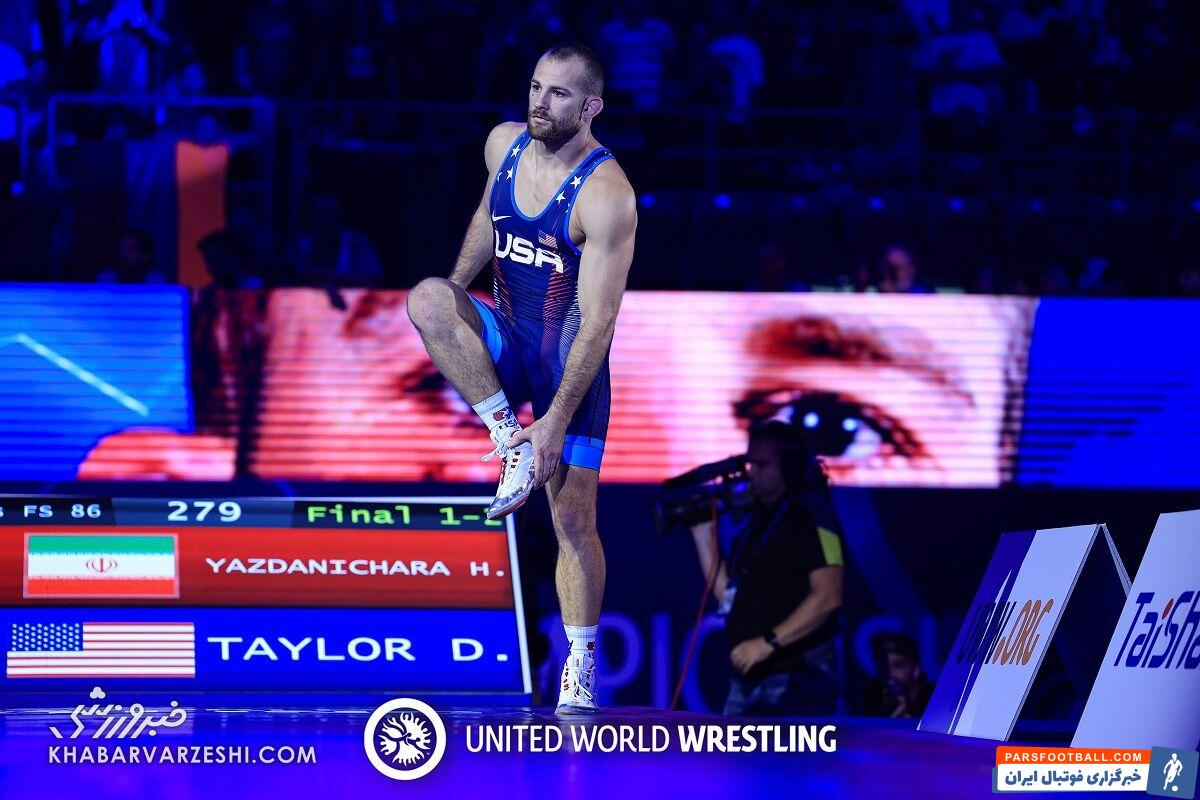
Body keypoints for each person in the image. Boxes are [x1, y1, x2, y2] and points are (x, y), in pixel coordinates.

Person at [406, 44, 637, 715]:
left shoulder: (607, 194)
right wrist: (456, 297)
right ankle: (507, 439)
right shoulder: (502, 144)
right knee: (427, 298)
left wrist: (555, 419)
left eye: (559, 94)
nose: (540, 102)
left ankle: (580, 668)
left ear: (591, 107)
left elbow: (598, 325)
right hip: (510, 336)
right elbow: (489, 219)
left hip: (569, 363)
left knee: (572, 517)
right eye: (536, 87)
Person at [690, 420, 845, 716]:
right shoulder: (756, 525)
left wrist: (766, 644)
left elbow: (829, 596)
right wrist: (703, 537)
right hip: (748, 679)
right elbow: (728, 597)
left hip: (798, 679)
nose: (752, 473)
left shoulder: (815, 518)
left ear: (788, 467)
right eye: (751, 465)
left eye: (762, 465)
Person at [861, 631, 933, 718]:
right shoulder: (872, 695)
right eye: (883, 666)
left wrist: (906, 719)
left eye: (898, 665)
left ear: (916, 669)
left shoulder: (934, 697)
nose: (889, 673)